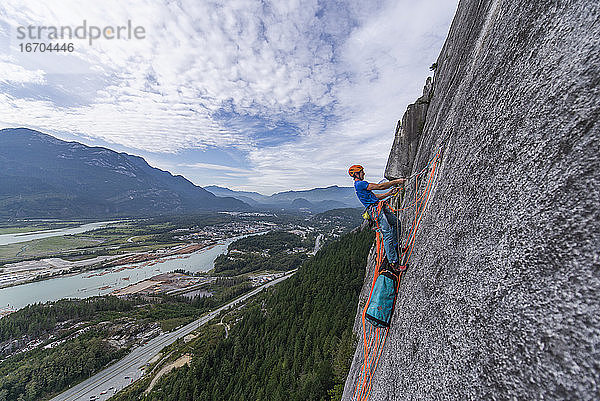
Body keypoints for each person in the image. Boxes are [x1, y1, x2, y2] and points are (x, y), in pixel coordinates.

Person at [349, 164, 406, 271]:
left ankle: (395, 248)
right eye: (362, 171)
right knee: (387, 234)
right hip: (376, 211)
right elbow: (380, 187)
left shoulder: (361, 185)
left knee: (396, 223)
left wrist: (389, 193)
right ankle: (394, 263)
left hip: (379, 207)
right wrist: (397, 181)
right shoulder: (360, 184)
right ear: (356, 174)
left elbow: (375, 197)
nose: (364, 173)